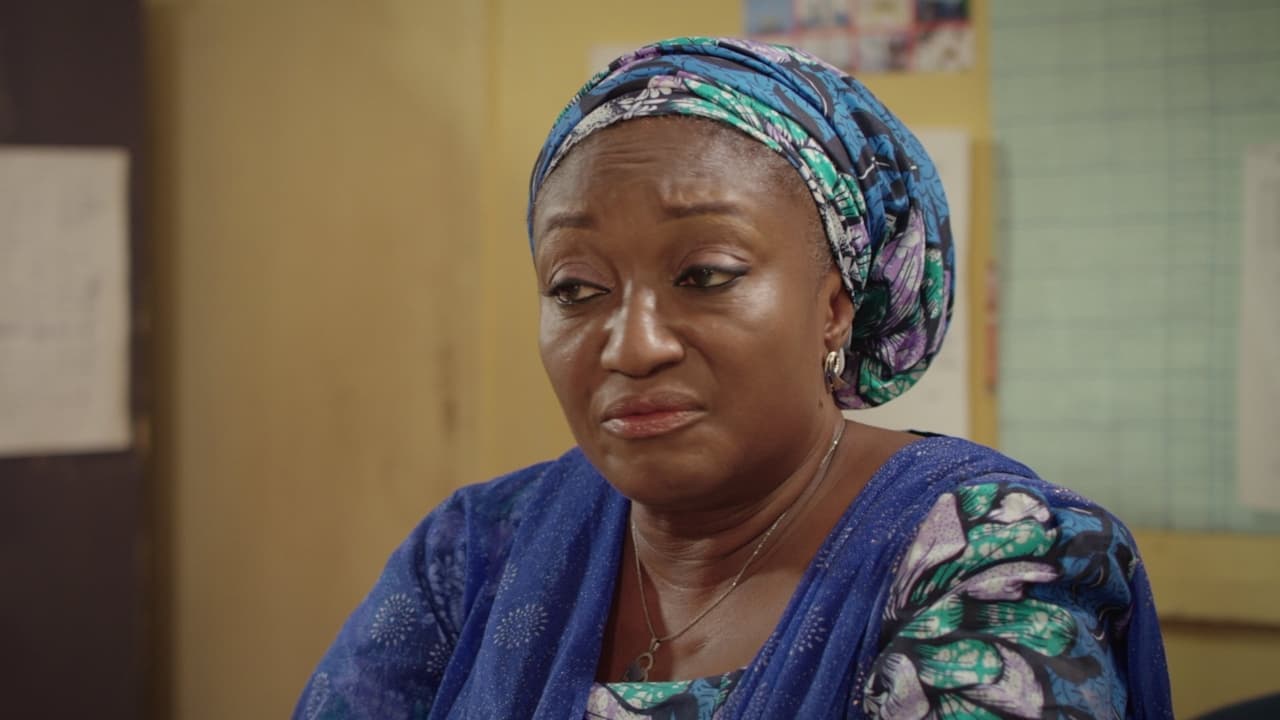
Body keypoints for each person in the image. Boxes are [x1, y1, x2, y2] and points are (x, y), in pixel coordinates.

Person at [294, 37, 1173, 719]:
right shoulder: (476, 552)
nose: (632, 346)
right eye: (576, 289)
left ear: (834, 308)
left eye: (705, 275)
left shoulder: (996, 556)